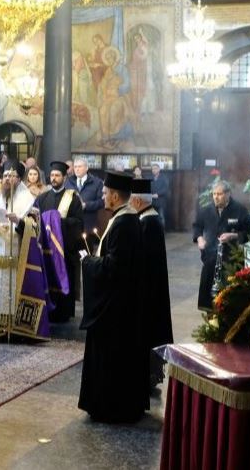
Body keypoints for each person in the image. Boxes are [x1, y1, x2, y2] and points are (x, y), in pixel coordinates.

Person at [79, 171, 148, 423]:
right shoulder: (124, 218)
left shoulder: (124, 223)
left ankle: (110, 406)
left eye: (105, 193)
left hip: (115, 308)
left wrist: (88, 262)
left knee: (112, 358)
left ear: (116, 196)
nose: (103, 196)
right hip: (122, 303)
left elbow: (114, 267)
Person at [0, 161, 63, 341]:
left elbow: (37, 230)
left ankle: (17, 329)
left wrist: (20, 222)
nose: (8, 179)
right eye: (5, 175)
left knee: (16, 288)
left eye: (12, 175)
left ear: (19, 178)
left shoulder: (30, 200)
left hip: (20, 254)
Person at [129, 178, 173, 392]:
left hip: (148, 290)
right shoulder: (150, 218)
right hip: (152, 287)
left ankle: (147, 375)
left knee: (148, 333)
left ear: (137, 201)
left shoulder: (147, 222)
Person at [192, 180, 250, 311]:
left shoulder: (240, 210)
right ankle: (210, 317)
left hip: (232, 258)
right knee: (208, 295)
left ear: (228, 194)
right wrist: (199, 239)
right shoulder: (206, 210)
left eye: (219, 194)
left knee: (231, 296)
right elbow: (197, 226)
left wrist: (234, 236)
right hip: (210, 257)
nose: (216, 196)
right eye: (214, 194)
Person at [35, 161, 84, 322]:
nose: (54, 178)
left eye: (57, 175)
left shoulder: (73, 198)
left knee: (64, 277)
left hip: (64, 250)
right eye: (52, 175)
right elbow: (35, 220)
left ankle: (64, 312)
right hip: (46, 250)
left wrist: (58, 223)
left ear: (64, 177)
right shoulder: (42, 198)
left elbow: (78, 223)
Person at [67, 158, 105, 236]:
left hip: (89, 224)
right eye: (75, 167)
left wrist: (86, 205)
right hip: (72, 224)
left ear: (86, 168)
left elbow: (102, 202)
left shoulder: (97, 183)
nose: (77, 169)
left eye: (80, 167)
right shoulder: (68, 182)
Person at [151, 163, 170, 229]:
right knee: (153, 217)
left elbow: (166, 189)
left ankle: (161, 232)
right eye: (153, 169)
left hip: (161, 201)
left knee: (161, 217)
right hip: (152, 201)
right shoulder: (150, 178)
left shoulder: (164, 178)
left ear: (159, 169)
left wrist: (158, 194)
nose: (154, 170)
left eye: (155, 168)